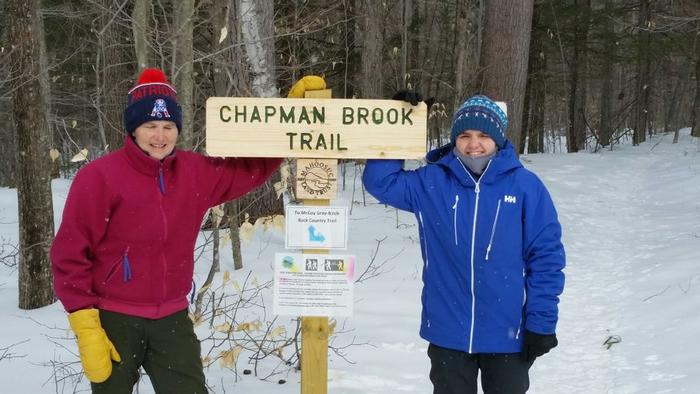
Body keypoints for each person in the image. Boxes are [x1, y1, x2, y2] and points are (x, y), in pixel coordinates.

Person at [50, 68, 325, 393]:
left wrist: (288, 118)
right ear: (134, 129)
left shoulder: (194, 172)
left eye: (168, 126)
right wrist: (84, 322)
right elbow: (70, 253)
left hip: (172, 318)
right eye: (150, 126)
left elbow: (251, 169)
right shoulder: (100, 177)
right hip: (115, 318)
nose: (160, 135)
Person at [362, 94, 565, 394]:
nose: (474, 144)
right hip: (448, 332)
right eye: (465, 135)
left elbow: (546, 257)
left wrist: (542, 322)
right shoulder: (432, 182)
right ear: (454, 139)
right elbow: (381, 182)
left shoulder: (525, 186)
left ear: (498, 139)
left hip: (507, 333)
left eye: (483, 135)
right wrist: (397, 127)